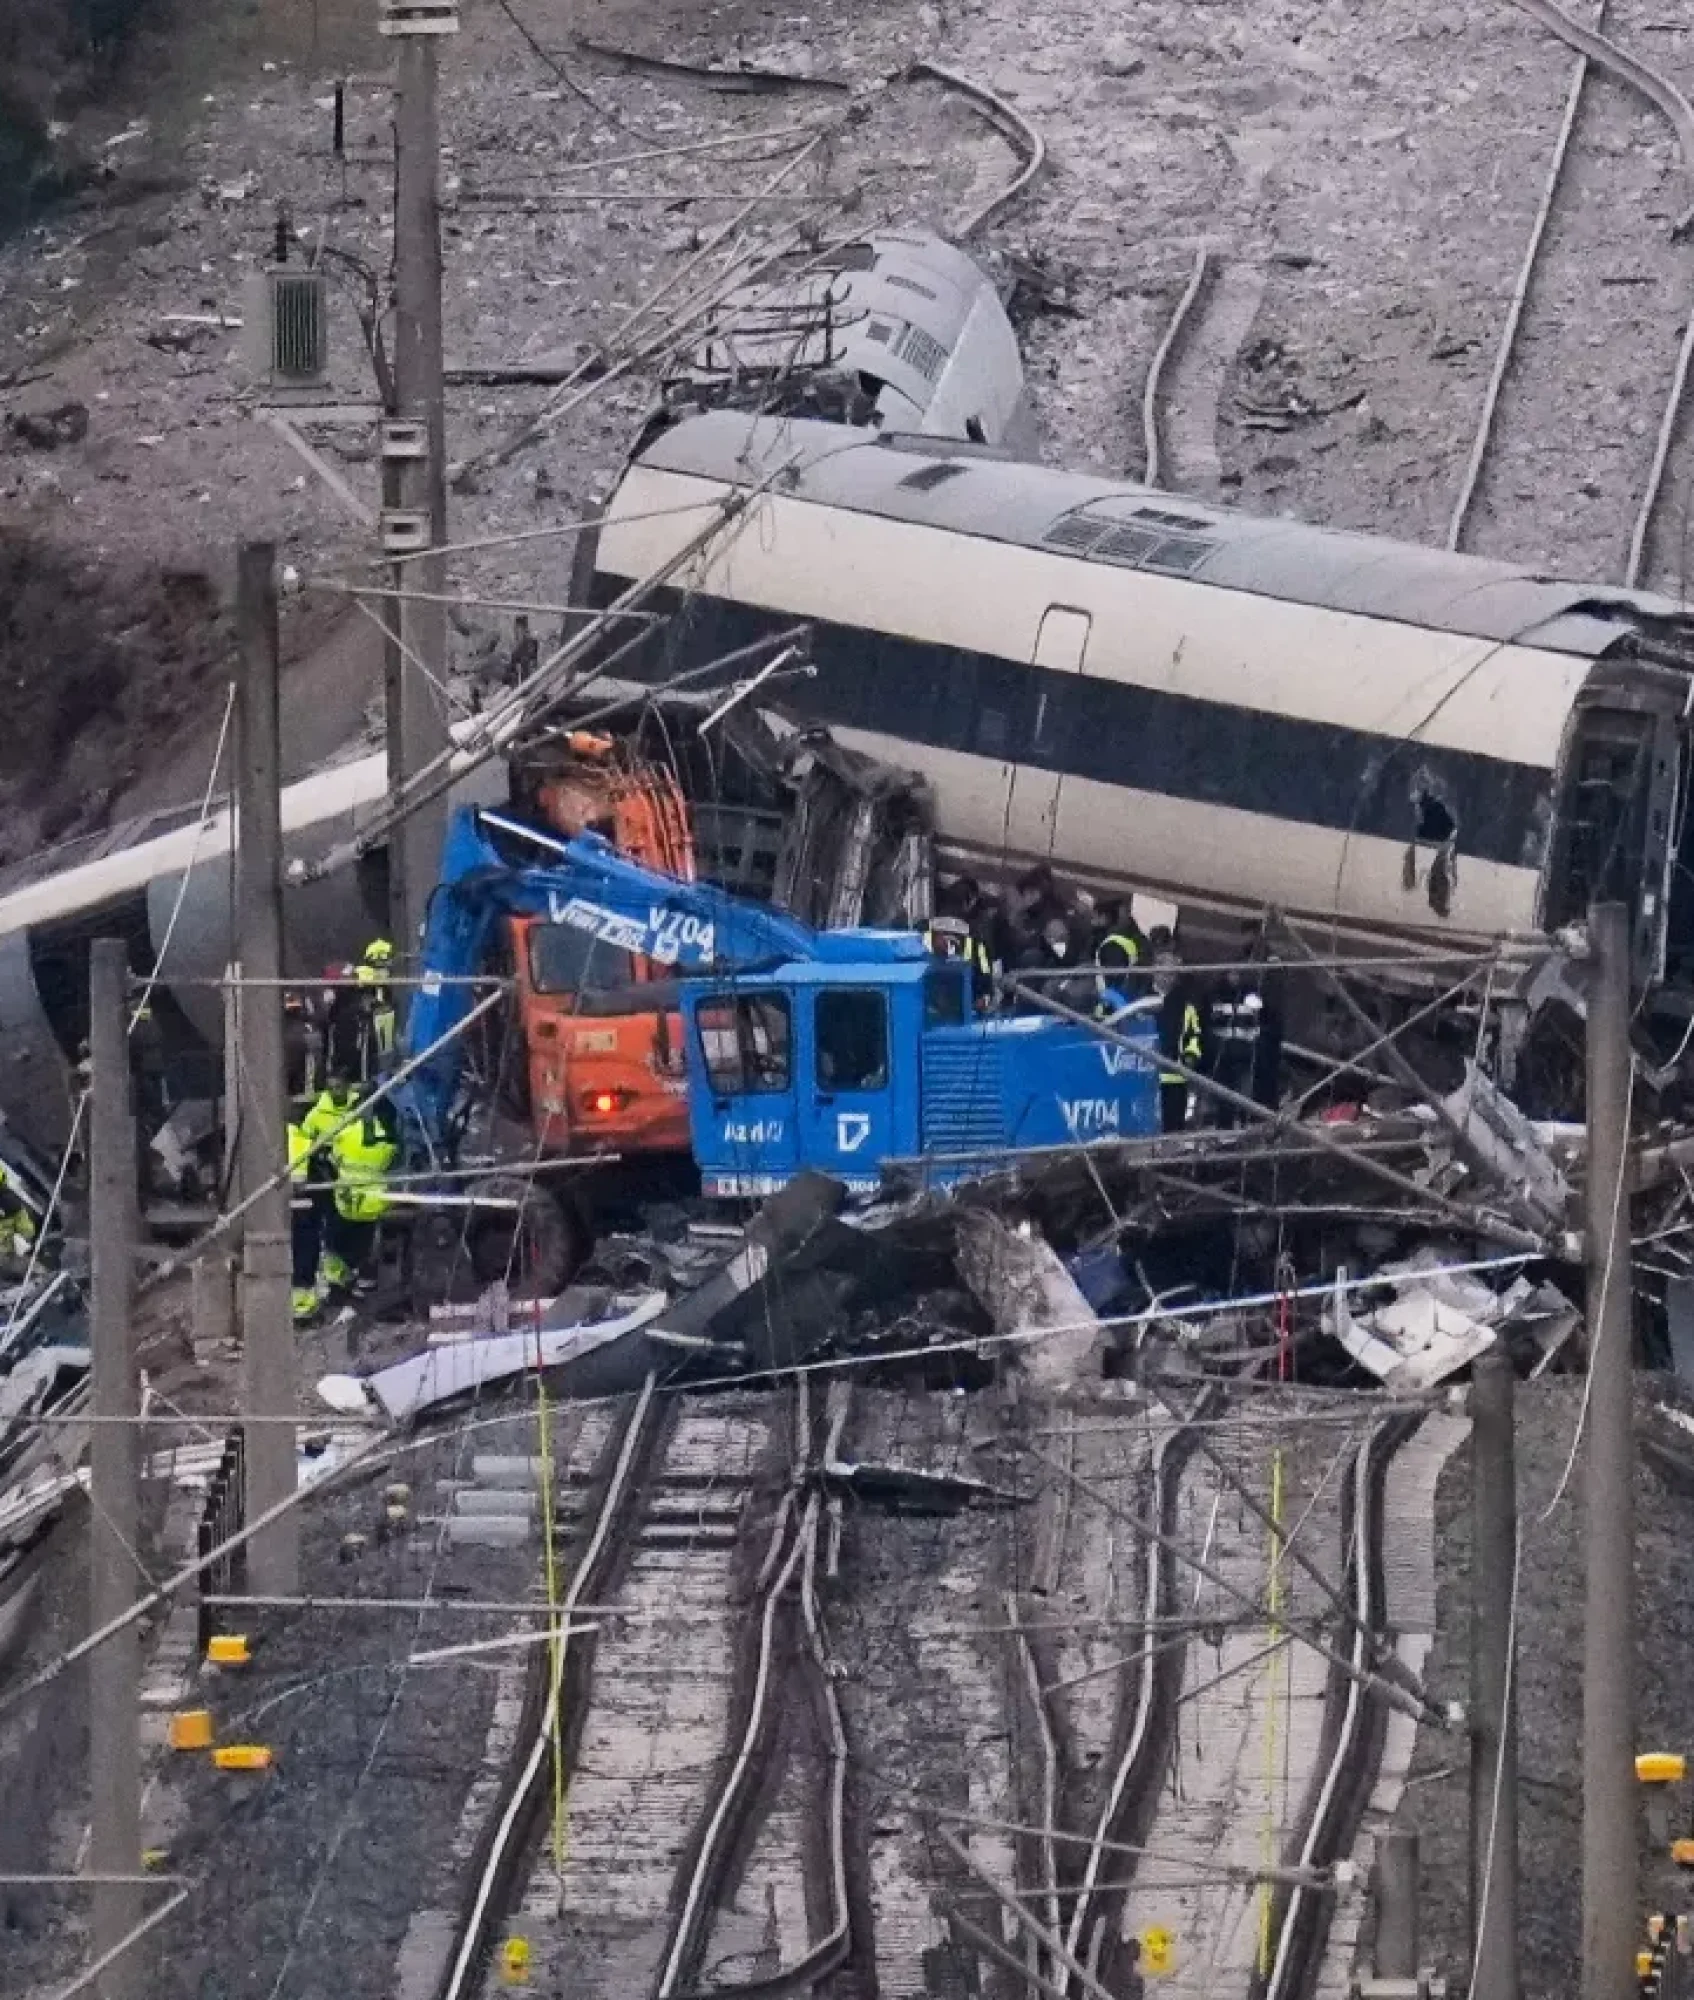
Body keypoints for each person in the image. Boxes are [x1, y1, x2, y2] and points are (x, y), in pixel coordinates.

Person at [323, 1100, 399, 1295]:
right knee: (368, 1242)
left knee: (334, 1242)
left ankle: (340, 1282)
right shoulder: (391, 1135)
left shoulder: (346, 1131)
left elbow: (333, 1158)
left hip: (347, 1200)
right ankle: (367, 1279)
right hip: (374, 1200)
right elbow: (394, 1162)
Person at [1152, 929, 1204, 1133]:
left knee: (1174, 1128)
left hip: (1176, 1076)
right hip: (1147, 1077)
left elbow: (1194, 1033)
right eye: (1165, 973)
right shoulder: (1141, 997)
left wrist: (1191, 1056)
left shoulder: (1185, 1003)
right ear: (1154, 971)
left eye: (1173, 974)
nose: (1169, 978)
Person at [287, 1118, 321, 1324]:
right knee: (304, 1245)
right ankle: (302, 1305)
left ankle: (300, 1304)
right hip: (300, 1200)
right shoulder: (299, 1132)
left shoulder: (295, 1133)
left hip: (294, 1200)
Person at [1094, 899, 1150, 1016]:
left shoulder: (1113, 943)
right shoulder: (1127, 937)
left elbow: (1114, 977)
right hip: (1124, 996)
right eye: (1125, 913)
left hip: (1113, 1001)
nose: (1129, 916)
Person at [0, 1166, 38, 1278]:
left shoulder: (12, 1204)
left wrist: (17, 1240)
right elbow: (27, 1231)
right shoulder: (13, 1204)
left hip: (11, 1256)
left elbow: (27, 1231)